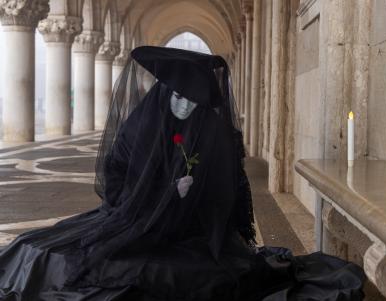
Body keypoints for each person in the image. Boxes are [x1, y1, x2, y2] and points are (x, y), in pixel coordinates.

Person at [0, 46, 365, 300]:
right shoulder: (142, 124)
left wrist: (194, 194)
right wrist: (156, 195)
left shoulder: (215, 133)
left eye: (193, 100)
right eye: (177, 96)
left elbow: (228, 191)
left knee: (186, 275)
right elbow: (116, 175)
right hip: (138, 220)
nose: (184, 104)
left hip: (194, 231)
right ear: (165, 92)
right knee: (49, 252)